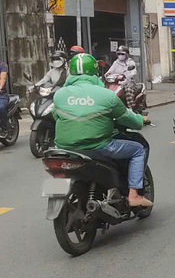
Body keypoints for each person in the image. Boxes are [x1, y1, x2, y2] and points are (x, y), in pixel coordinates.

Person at [53, 53, 153, 208]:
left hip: (64, 148)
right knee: (138, 150)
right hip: (98, 146)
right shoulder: (107, 95)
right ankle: (133, 195)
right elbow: (127, 118)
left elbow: (56, 116)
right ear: (95, 72)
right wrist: (141, 119)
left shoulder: (59, 95)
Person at [0, 59, 8, 138]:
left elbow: (3, 78)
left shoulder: (2, 65)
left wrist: (0, 87)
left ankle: (4, 129)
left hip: (1, 95)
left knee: (1, 108)